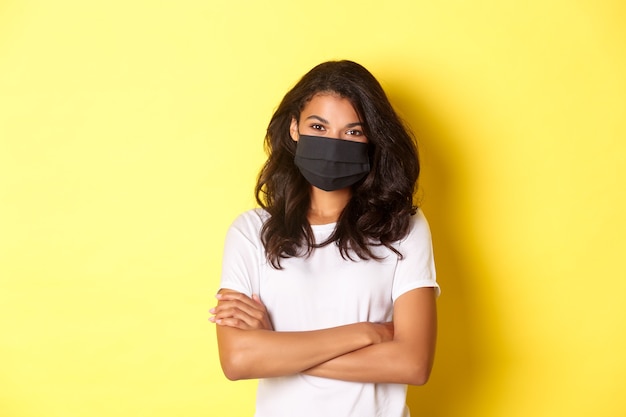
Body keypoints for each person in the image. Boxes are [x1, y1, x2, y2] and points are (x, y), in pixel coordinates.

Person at [209, 60, 440, 417]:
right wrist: (366, 333)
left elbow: (412, 364)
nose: (333, 144)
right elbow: (238, 360)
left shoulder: (402, 226)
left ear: (372, 140)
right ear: (294, 129)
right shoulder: (251, 232)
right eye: (318, 126)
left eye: (352, 132)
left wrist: (275, 350)